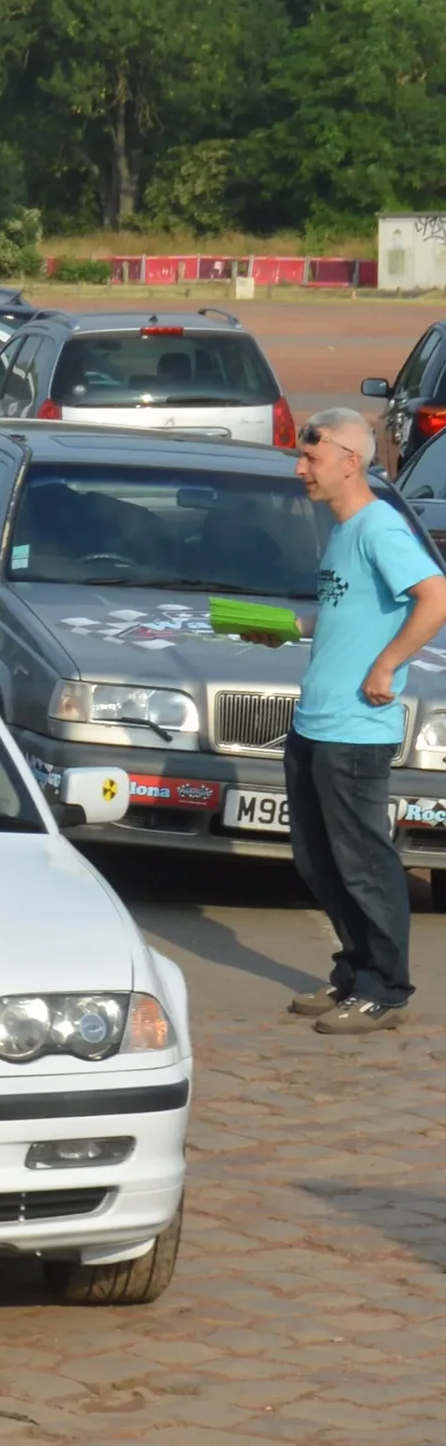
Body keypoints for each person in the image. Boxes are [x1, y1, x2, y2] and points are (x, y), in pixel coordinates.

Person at [284, 406, 446, 1034]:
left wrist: (389, 665)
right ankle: (353, 973)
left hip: (356, 729)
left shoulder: (380, 526)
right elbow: (351, 615)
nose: (302, 470)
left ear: (351, 462)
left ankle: (386, 987)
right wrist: (291, 630)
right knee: (316, 860)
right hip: (315, 721)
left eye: (312, 459)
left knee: (363, 862)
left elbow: (436, 598)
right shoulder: (344, 531)